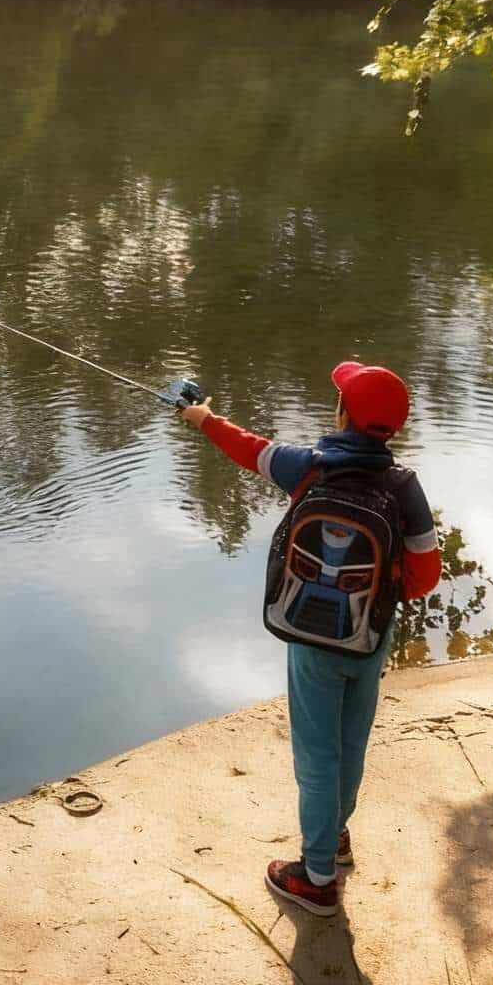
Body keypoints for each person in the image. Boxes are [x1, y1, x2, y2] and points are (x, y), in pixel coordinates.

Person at [181, 360, 441, 916]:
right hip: (370, 635)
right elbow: (424, 577)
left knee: (316, 755)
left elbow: (249, 448)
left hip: (310, 638)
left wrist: (202, 418)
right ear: (392, 428)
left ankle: (317, 877)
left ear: (342, 413)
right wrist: (371, 600)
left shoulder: (308, 467)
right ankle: (335, 836)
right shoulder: (405, 487)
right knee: (350, 741)